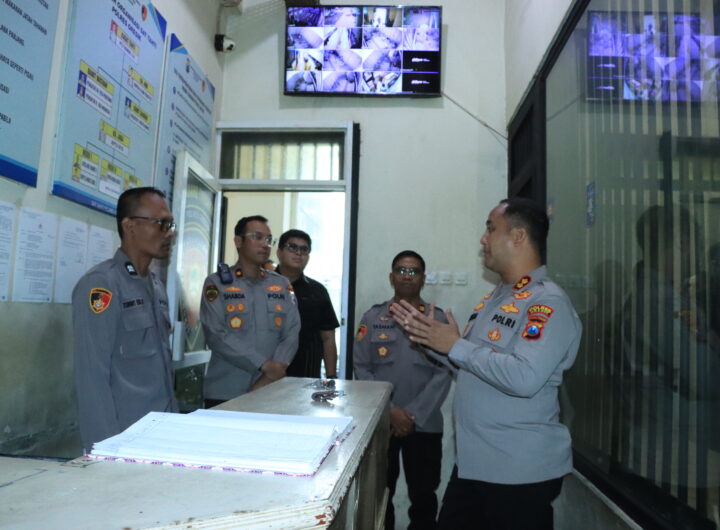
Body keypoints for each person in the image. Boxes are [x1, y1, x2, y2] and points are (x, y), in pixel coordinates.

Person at [391, 198, 582, 530]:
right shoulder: (497, 298)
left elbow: (524, 376)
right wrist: (435, 343)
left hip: (517, 474)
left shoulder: (546, 301)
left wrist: (456, 346)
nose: (483, 239)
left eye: (491, 229)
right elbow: (477, 368)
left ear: (518, 236)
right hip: (476, 465)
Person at [72, 187, 178, 452]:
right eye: (161, 223)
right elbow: (92, 376)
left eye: (170, 224)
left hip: (163, 431)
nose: (169, 233)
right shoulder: (102, 285)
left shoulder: (156, 286)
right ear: (129, 226)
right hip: (125, 437)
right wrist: (104, 448)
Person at [354, 250, 452, 530]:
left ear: (423, 278)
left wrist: (412, 415)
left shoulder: (437, 320)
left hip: (425, 424)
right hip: (381, 424)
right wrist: (390, 411)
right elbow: (361, 367)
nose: (407, 276)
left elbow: (444, 371)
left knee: (424, 497)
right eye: (401, 270)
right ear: (391, 277)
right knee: (380, 495)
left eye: (414, 271)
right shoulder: (372, 317)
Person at [200, 215, 300, 408]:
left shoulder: (281, 284)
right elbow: (215, 333)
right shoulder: (217, 283)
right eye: (257, 237)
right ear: (239, 241)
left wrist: (275, 370)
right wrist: (263, 365)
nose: (265, 244)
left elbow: (292, 331)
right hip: (225, 390)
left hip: (271, 389)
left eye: (268, 239)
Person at [275, 229, 340, 379]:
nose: (299, 253)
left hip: (306, 375)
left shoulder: (317, 291)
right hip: (267, 374)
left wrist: (331, 377)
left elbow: (328, 338)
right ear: (279, 252)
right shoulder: (262, 286)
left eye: (304, 249)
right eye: (292, 247)